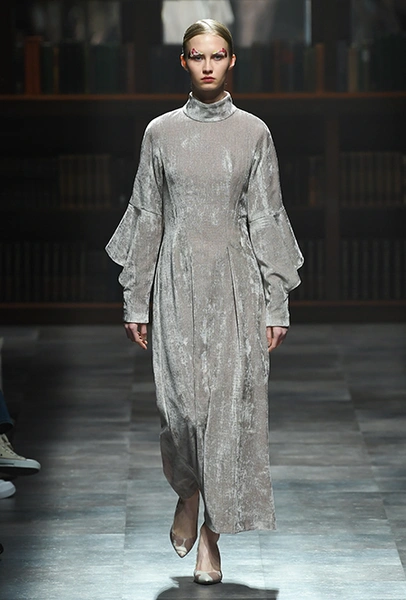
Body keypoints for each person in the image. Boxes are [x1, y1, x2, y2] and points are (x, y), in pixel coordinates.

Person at [106, 19, 303, 585]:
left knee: (226, 417)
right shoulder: (160, 133)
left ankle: (211, 540)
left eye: (218, 55)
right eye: (198, 56)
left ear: (232, 60)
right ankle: (188, 491)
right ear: (184, 62)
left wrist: (276, 303)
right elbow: (148, 215)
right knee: (181, 412)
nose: (208, 65)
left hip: (236, 286)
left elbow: (266, 216)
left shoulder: (254, 133)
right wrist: (135, 298)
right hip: (175, 282)